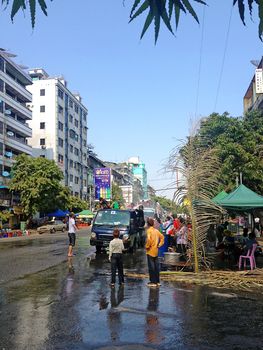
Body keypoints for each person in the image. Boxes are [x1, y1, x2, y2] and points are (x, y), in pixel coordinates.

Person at [145, 217, 164, 288]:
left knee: (151, 267)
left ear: (148, 224)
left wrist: (147, 246)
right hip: (156, 250)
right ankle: (157, 281)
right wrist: (159, 244)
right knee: (156, 267)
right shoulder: (156, 231)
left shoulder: (149, 231)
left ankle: (153, 282)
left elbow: (149, 240)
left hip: (150, 251)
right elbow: (162, 237)